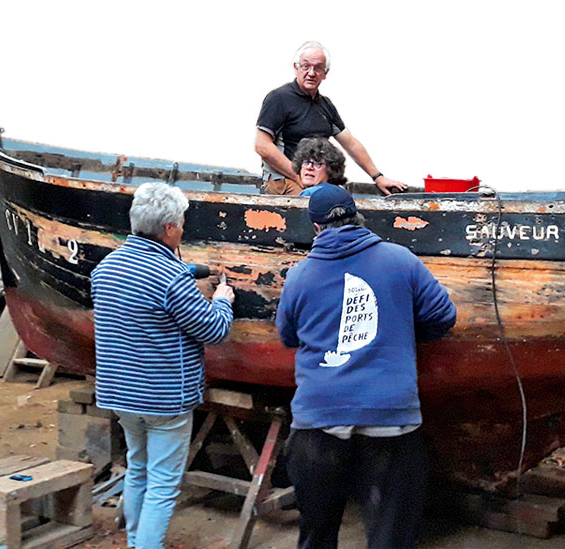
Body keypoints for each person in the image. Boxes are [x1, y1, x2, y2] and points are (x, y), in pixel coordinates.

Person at [277, 185, 456, 548]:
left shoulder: (300, 275)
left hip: (319, 423)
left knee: (317, 536)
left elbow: (287, 336)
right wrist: (400, 330)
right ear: (358, 216)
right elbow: (443, 317)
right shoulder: (400, 259)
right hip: (389, 419)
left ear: (316, 228)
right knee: (390, 538)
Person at [91, 182, 235, 549]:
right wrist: (223, 299)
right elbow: (215, 330)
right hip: (163, 400)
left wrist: (191, 271)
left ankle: (136, 542)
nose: (184, 228)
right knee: (163, 485)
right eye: (182, 223)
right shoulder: (170, 279)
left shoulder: (106, 268)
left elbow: (150, 283)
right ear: (169, 229)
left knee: (137, 471)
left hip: (119, 394)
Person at [255, 40, 408, 196]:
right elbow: (262, 146)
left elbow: (351, 144)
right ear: (296, 68)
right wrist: (298, 177)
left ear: (325, 73)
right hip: (284, 181)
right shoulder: (279, 98)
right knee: (317, 205)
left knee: (341, 203)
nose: (311, 73)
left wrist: (378, 177)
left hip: (315, 182)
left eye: (318, 68)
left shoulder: (325, 105)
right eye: (306, 66)